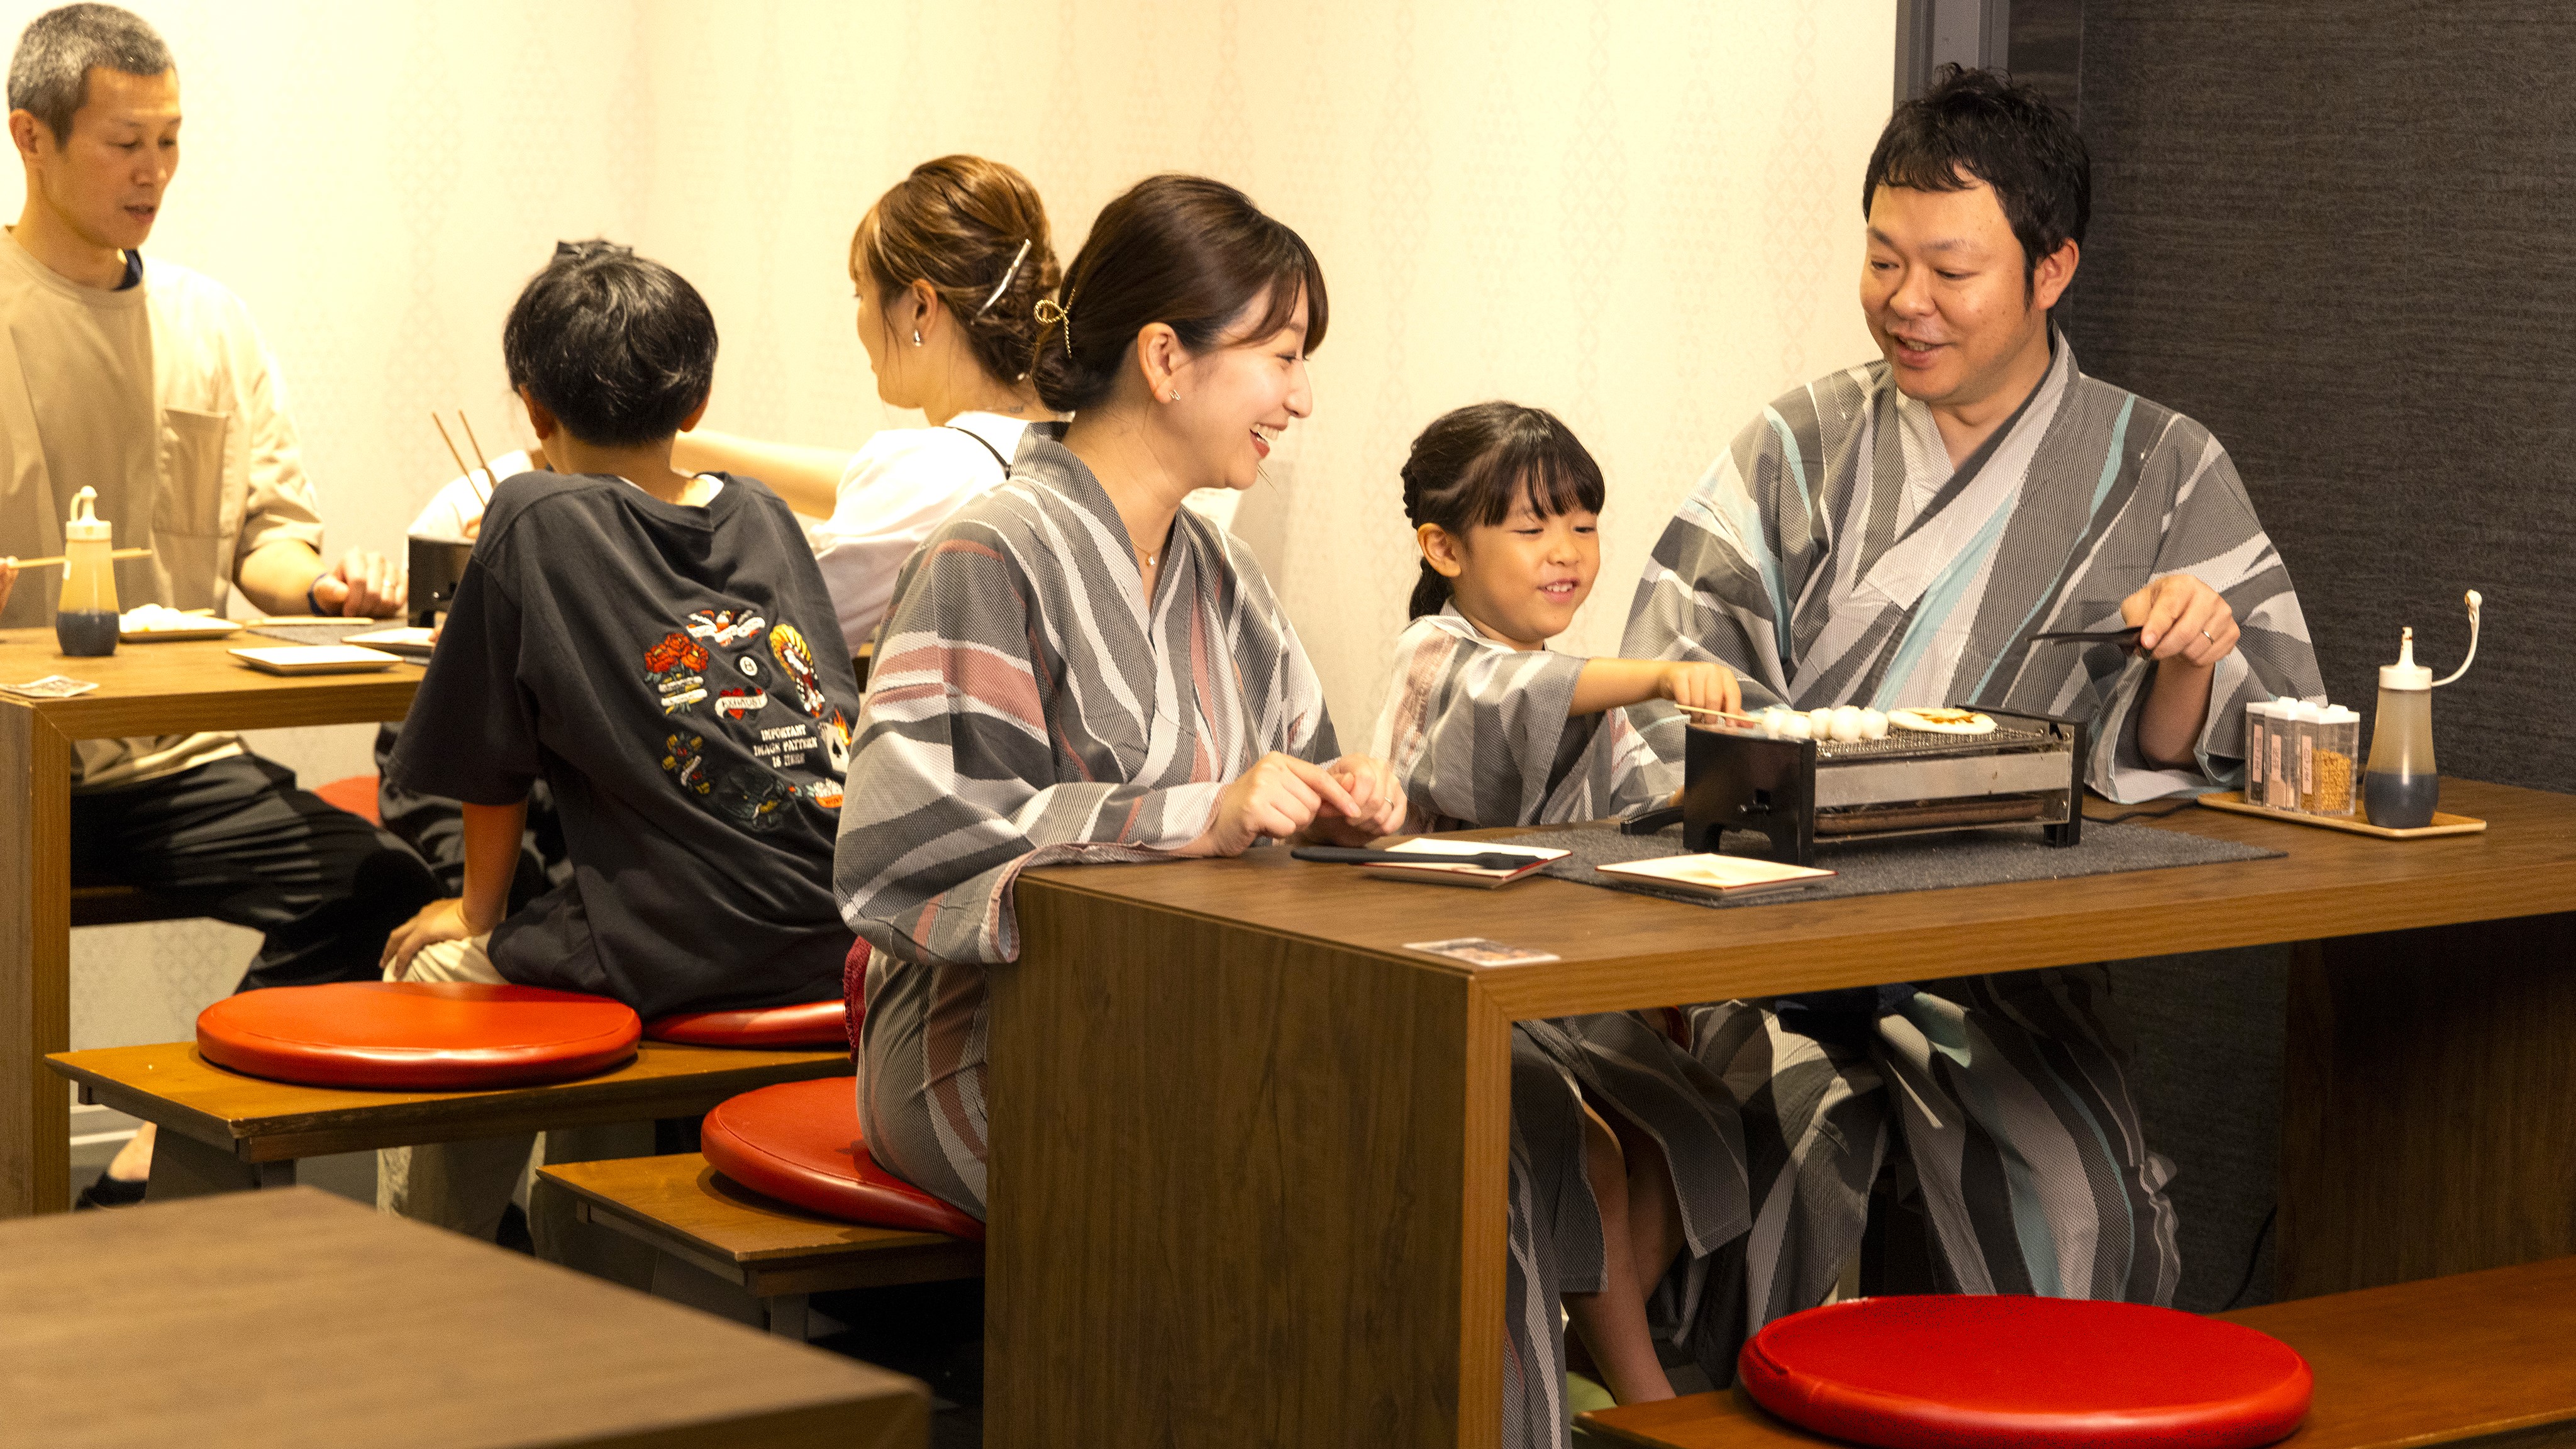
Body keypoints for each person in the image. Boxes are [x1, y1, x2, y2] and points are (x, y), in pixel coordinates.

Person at [1622, 65, 2326, 1360]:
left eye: (1950, 270)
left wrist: (2183, 661)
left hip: (2001, 965)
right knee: (1750, 1173)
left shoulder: (2160, 467)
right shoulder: (1794, 446)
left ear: (2050, 269)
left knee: (2079, 1213)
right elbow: (1661, 684)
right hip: (1763, 950)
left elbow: (2262, 742)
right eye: (1882, 260)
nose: (1905, 302)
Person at [0, 4, 435, 1206]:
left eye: (171, 142)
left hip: (162, 762)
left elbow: (269, 544)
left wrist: (326, 587)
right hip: (3, 757)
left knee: (381, 888)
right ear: (29, 136)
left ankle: (155, 1153)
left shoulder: (212, 322)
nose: (153, 174)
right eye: (122, 143)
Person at [377, 241, 859, 1255]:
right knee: (577, 964)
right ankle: (585, 1266)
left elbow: (487, 762)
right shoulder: (764, 516)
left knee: (433, 974)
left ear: (531, 411)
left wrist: (473, 913)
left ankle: (421, 1277)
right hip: (837, 931)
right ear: (695, 403)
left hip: (688, 941)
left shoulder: (529, 514)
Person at [1370, 401, 1750, 1406]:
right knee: (1581, 1150)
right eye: (1530, 527)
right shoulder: (1433, 658)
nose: (1567, 553)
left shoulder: (1573, 684)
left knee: (1697, 1117)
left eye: (1582, 524)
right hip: (1441, 977)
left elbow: (1639, 812)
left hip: (1556, 988)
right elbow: (1503, 704)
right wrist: (1663, 671)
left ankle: (1572, 1345)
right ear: (1442, 547)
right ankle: (1645, 1399)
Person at [674, 154, 1063, 655]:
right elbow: (867, 481)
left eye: (861, 292)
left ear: (920, 306)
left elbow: (769, 641)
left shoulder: (930, 472)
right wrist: (680, 447)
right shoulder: (1055, 446)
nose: (858, 316)